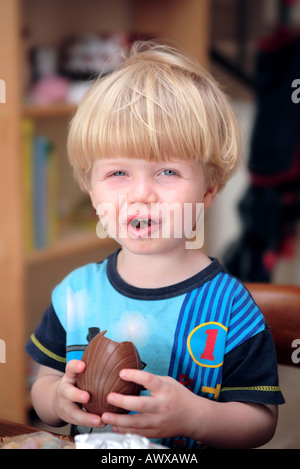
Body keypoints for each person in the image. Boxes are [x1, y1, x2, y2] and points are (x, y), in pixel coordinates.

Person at [26, 40, 284, 449]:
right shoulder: (74, 293)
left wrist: (196, 417)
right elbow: (43, 386)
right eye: (117, 173)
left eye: (166, 171)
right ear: (90, 190)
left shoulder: (229, 305)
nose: (140, 194)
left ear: (208, 189)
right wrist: (58, 400)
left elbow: (261, 422)